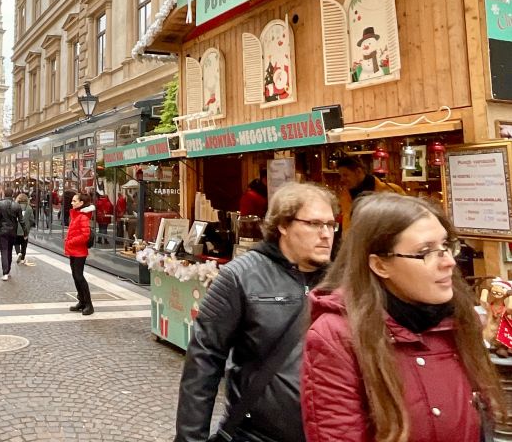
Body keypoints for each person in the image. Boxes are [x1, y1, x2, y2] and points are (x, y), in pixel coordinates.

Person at [301, 193, 501, 442]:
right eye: (425, 252)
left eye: (447, 246)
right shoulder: (337, 336)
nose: (449, 261)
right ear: (380, 265)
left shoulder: (458, 320)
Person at [174, 182, 338, 442]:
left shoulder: (342, 280)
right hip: (254, 435)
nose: (326, 234)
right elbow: (203, 364)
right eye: (314, 224)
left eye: (331, 224)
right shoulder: (240, 277)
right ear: (283, 225)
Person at [336, 156, 405, 233]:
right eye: (341, 176)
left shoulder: (391, 190)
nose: (342, 179)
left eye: (345, 175)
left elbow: (407, 218)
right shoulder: (345, 196)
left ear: (358, 171)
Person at [65, 192, 95, 316]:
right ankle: (81, 302)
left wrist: (70, 242)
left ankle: (89, 304)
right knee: (75, 276)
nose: (72, 203)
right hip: (74, 250)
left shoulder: (82, 217)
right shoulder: (76, 215)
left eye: (74, 201)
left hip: (79, 251)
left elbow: (85, 235)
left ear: (81, 203)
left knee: (79, 277)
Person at [0, 188, 23, 281]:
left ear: (4, 194)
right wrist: (25, 232)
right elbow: (21, 220)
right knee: (9, 250)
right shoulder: (17, 205)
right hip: (13, 231)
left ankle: (5, 272)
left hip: (2, 231)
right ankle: (8, 270)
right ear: (12, 194)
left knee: (4, 251)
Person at [15, 193, 36, 266]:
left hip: (16, 229)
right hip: (25, 230)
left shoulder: (15, 207)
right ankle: (23, 258)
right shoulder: (29, 208)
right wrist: (28, 226)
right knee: (24, 244)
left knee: (16, 243)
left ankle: (18, 253)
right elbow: (32, 220)